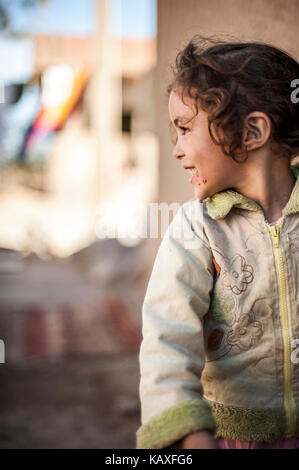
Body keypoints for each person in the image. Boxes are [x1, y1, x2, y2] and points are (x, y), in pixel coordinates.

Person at [136, 36, 299, 449]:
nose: (176, 150)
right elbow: (166, 340)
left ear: (252, 131)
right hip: (231, 438)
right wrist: (190, 436)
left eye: (185, 129)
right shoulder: (198, 229)